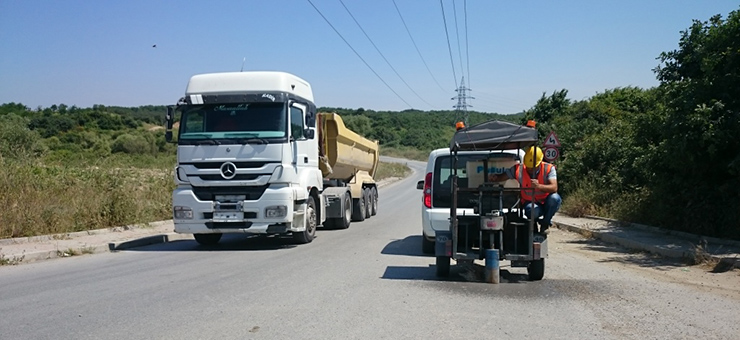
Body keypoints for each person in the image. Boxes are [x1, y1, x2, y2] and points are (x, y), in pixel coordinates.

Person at [488, 146, 561, 234]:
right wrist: (495, 178)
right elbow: (502, 176)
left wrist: (539, 186)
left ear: (540, 162)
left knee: (555, 198)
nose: (530, 169)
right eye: (528, 167)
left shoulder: (548, 168)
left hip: (546, 202)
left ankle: (545, 223)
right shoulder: (519, 169)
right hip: (530, 203)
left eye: (533, 167)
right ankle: (533, 224)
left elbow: (554, 188)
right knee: (532, 210)